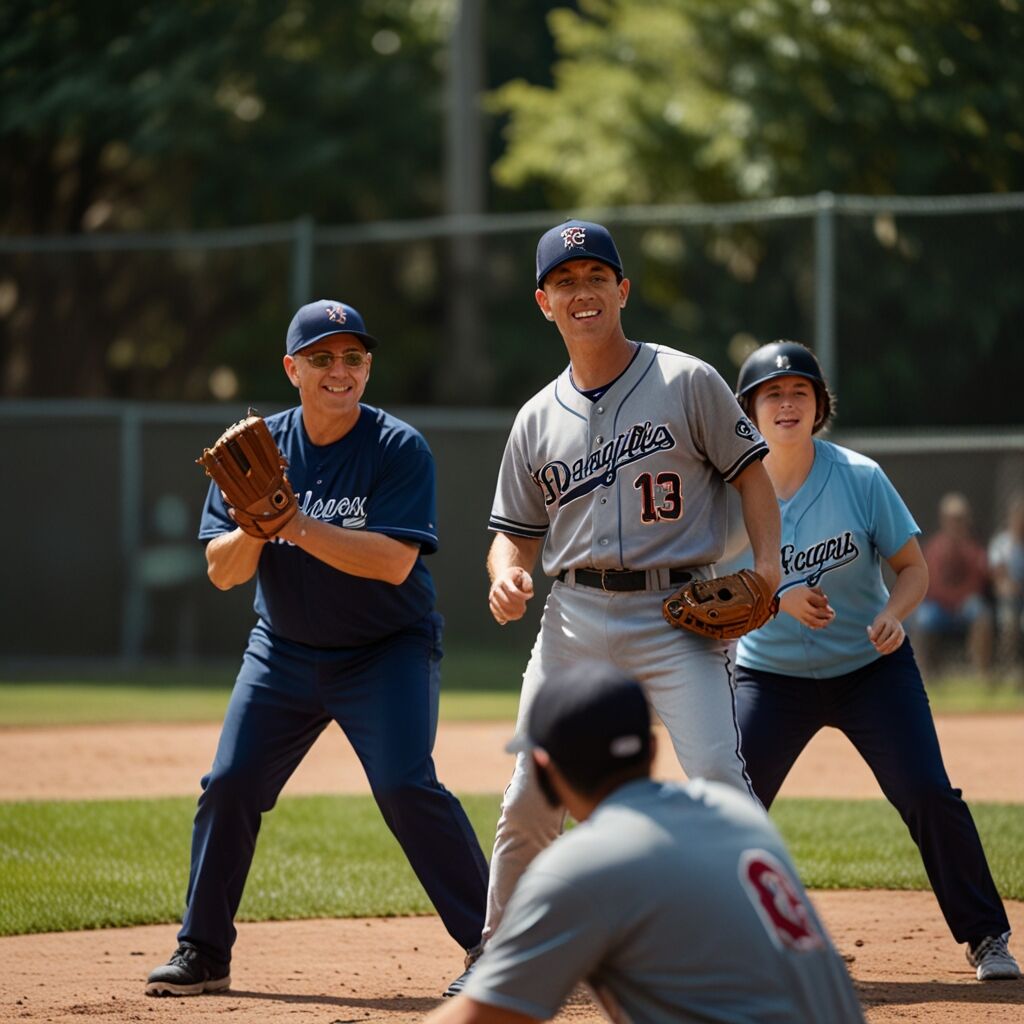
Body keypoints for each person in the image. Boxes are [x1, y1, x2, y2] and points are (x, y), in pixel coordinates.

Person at [457, 220, 782, 995]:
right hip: (572, 618)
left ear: (623, 289)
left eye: (596, 277)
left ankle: (768, 945)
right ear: (544, 302)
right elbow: (511, 537)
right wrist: (505, 576)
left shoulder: (687, 380)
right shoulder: (536, 417)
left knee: (717, 776)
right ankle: (498, 959)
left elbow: (752, 476)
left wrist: (767, 567)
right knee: (529, 799)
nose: (582, 293)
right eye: (565, 282)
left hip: (677, 613)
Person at [145, 299, 489, 996]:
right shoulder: (256, 448)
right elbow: (222, 572)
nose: (340, 369)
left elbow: (393, 562)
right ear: (292, 369)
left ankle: (498, 944)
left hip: (385, 649)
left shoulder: (397, 447)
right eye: (322, 357)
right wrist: (256, 527)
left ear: (368, 368)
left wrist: (293, 524)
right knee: (230, 784)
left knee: (404, 785)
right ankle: (203, 950)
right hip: (284, 650)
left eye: (353, 356)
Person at [730, 340, 1020, 983]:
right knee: (729, 801)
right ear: (748, 410)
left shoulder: (859, 477)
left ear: (819, 406)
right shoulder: (727, 490)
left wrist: (895, 612)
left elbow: (912, 568)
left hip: (870, 670)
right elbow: (711, 586)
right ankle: (710, 942)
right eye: (772, 394)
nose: (786, 403)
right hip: (769, 677)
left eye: (800, 392)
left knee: (925, 790)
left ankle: (986, 936)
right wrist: (774, 597)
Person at [426, 666, 866, 1024]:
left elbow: (481, 1016)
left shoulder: (584, 865)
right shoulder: (736, 814)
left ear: (544, 769)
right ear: (652, 750)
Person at [913, 492, 994, 678]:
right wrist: (950, 600)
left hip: (965, 605)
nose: (957, 523)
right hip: (939, 606)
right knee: (922, 618)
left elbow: (977, 583)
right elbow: (931, 584)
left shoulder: (974, 548)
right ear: (943, 519)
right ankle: (924, 674)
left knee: (982, 614)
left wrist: (959, 600)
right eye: (953, 518)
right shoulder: (934, 548)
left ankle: (981, 673)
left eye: (961, 518)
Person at [988, 493, 1024, 677]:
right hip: (1010, 599)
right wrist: (1011, 588)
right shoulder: (1001, 543)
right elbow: (999, 579)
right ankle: (1010, 668)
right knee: (1010, 620)